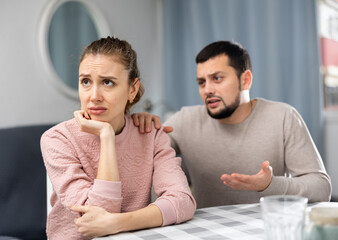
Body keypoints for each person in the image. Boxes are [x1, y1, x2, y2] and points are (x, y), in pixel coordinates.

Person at [132, 40, 332, 208]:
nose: (207, 89)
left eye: (217, 78)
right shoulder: (185, 120)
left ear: (245, 80)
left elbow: (321, 188)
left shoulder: (283, 117)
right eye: (201, 82)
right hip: (206, 232)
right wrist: (141, 128)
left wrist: (270, 184)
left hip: (266, 228)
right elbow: (143, 159)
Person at [41, 36, 196, 240]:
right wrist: (106, 136)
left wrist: (118, 223)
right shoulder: (57, 139)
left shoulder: (150, 133)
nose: (94, 95)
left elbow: (183, 201)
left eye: (107, 82)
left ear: (132, 89)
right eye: (85, 81)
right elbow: (96, 216)